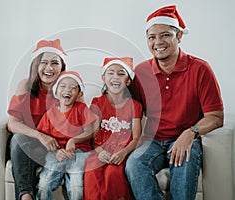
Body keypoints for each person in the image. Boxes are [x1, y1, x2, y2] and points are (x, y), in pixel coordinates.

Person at [125, 5, 224, 200]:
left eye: (165, 35)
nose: (157, 42)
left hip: (185, 138)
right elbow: (131, 112)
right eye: (151, 37)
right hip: (152, 141)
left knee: (184, 162)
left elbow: (216, 117)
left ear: (178, 37)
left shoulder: (200, 69)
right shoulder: (142, 72)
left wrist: (190, 133)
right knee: (134, 164)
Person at [7, 39, 67, 200]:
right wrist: (40, 135)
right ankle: (25, 196)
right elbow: (12, 123)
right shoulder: (25, 85)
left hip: (54, 149)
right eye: (44, 63)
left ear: (62, 67)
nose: (49, 68)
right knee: (18, 139)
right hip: (28, 146)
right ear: (36, 66)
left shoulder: (69, 88)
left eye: (55, 63)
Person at [83, 57, 143, 200]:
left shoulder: (135, 106)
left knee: (113, 174)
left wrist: (123, 152)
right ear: (104, 78)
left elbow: (136, 138)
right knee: (92, 170)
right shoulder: (97, 102)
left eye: (121, 73)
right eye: (111, 73)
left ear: (128, 81)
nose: (115, 77)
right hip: (101, 150)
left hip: (122, 151)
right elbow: (93, 136)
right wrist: (100, 151)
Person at [35, 71, 97, 200]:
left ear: (79, 94)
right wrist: (56, 151)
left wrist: (73, 140)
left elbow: (89, 131)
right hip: (57, 153)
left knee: (76, 186)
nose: (67, 90)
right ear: (56, 92)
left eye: (73, 87)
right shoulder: (49, 114)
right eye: (63, 86)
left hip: (79, 152)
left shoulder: (81, 108)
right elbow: (43, 138)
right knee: (44, 184)